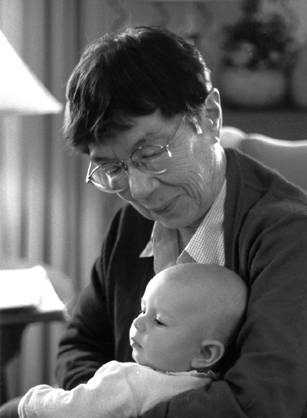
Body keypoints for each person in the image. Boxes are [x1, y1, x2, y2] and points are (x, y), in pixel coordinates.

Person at [1, 24, 307, 418]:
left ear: (209, 117)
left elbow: (258, 405)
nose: (140, 190)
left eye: (150, 153)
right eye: (112, 168)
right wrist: (96, 402)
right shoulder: (132, 225)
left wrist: (116, 407)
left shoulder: (289, 238)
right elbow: (79, 344)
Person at [18, 263, 247, 418]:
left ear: (205, 354)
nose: (138, 322)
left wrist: (32, 401)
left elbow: (68, 410)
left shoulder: (129, 382)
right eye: (142, 309)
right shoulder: (208, 388)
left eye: (159, 321)